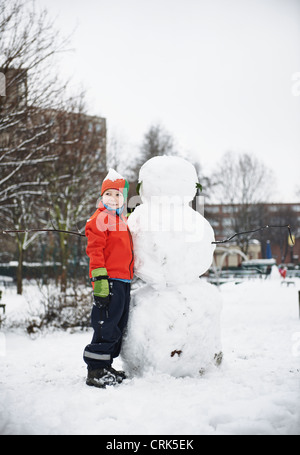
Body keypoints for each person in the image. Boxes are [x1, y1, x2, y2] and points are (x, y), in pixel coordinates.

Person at [83, 169, 134, 388]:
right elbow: (95, 251)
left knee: (117, 324)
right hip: (109, 280)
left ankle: (106, 365)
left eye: (118, 195)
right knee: (106, 323)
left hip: (123, 280)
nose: (113, 199)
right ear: (101, 196)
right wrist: (100, 280)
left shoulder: (120, 220)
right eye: (108, 194)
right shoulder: (100, 219)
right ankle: (95, 369)